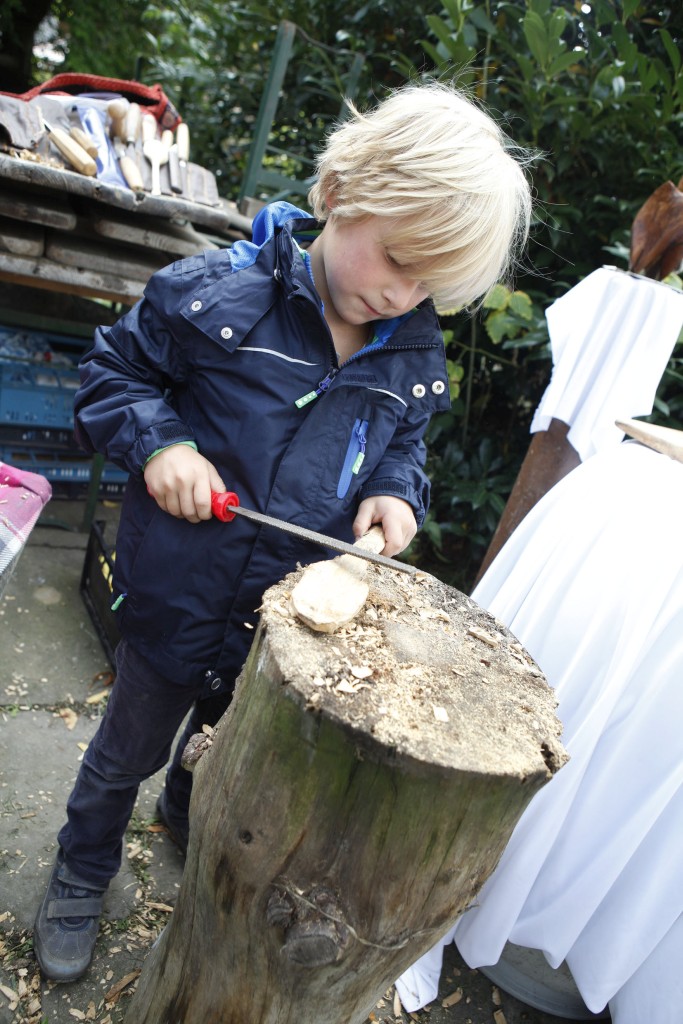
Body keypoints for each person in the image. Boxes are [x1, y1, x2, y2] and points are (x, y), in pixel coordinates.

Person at [33, 81, 532, 983]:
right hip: (176, 593)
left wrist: (395, 497)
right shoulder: (211, 293)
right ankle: (82, 866)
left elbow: (401, 447)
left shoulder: (409, 349)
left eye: (428, 283)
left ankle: (186, 816)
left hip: (283, 622)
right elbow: (113, 377)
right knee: (125, 752)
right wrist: (163, 446)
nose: (402, 292)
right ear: (339, 194)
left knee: (227, 746)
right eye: (397, 259)